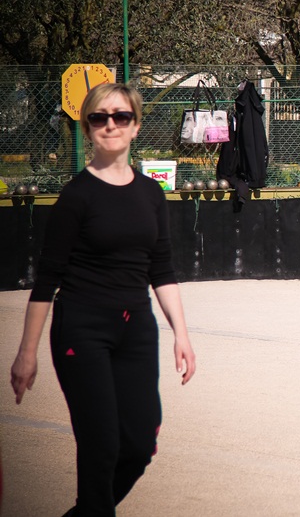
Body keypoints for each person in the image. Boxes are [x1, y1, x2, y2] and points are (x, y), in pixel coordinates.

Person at [9, 82, 197, 515]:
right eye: (99, 117)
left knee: (138, 444)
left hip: (137, 332)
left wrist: (181, 335)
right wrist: (26, 354)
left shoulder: (151, 193)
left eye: (121, 117)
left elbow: (162, 269)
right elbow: (47, 280)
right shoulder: (77, 196)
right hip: (82, 329)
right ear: (88, 127)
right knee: (100, 448)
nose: (110, 125)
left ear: (135, 126)